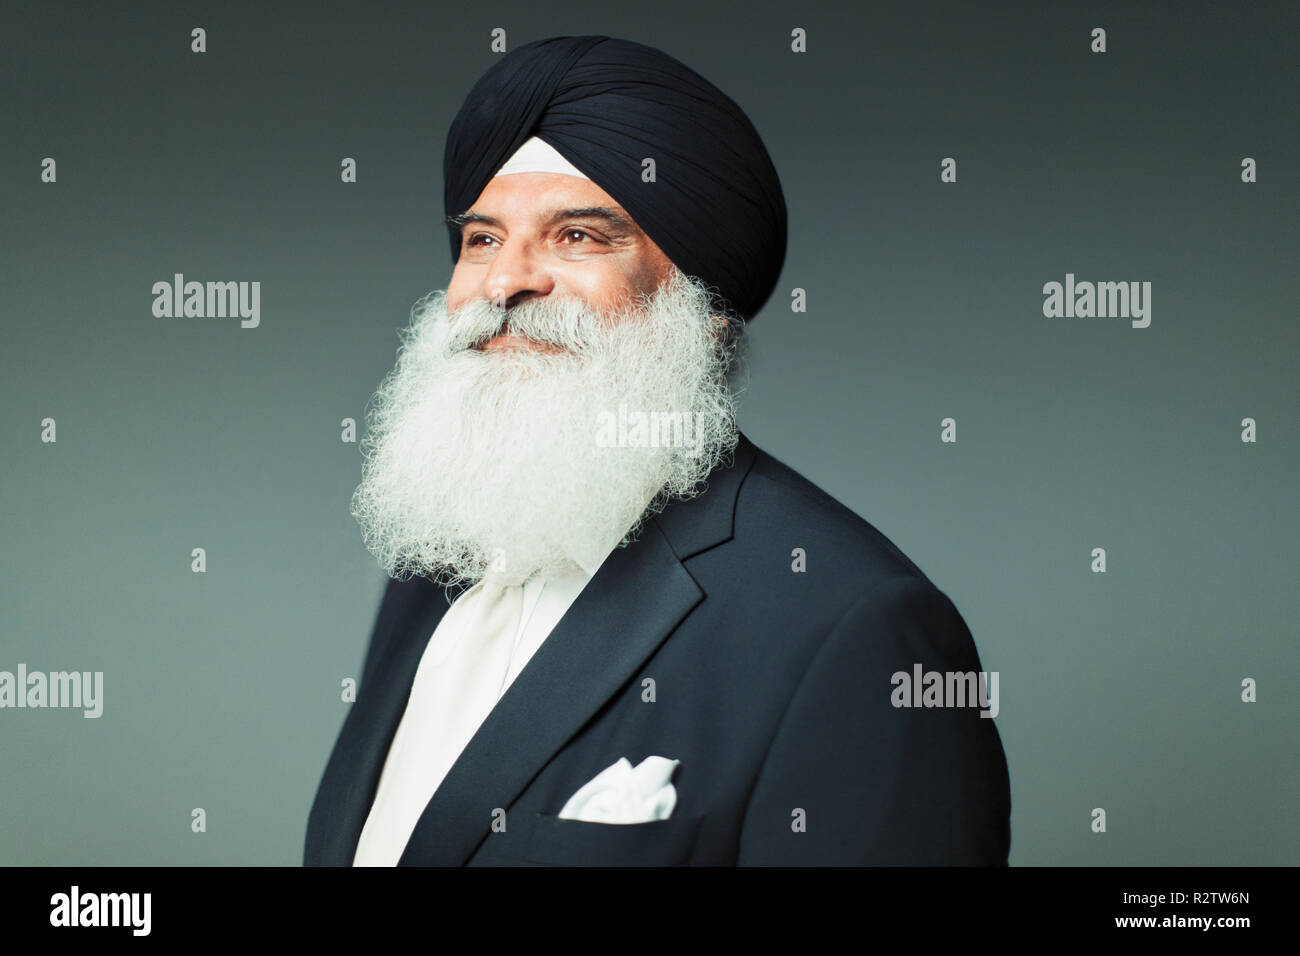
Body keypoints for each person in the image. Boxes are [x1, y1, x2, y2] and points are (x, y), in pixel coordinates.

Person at [304, 34, 1011, 866]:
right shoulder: (434, 569)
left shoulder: (855, 630)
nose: (506, 282)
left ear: (701, 305)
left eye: (577, 236)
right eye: (483, 239)